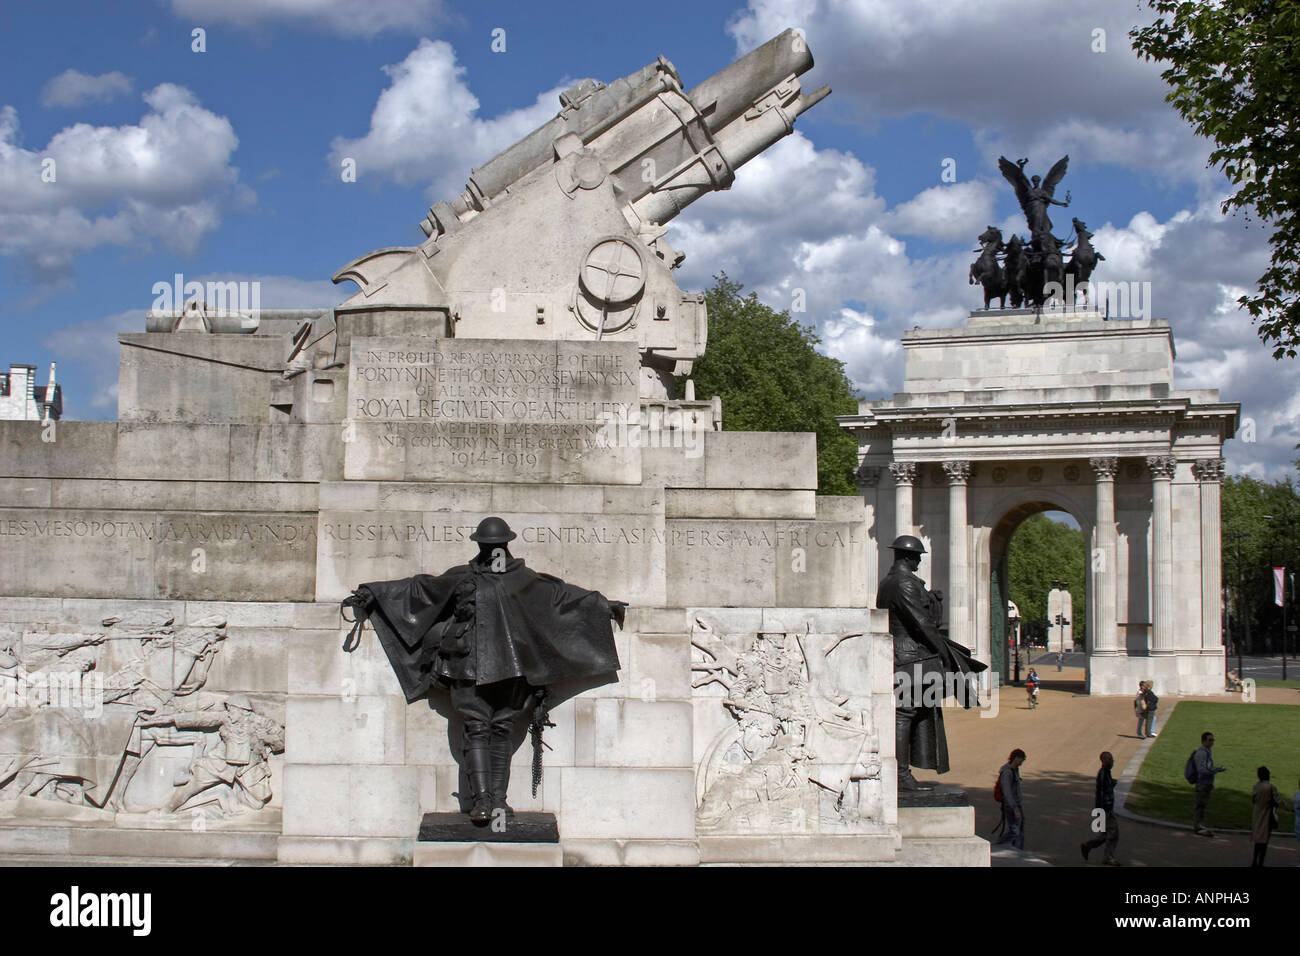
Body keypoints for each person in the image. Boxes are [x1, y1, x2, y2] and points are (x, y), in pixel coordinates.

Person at [341, 516, 626, 824]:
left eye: (494, 546)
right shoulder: (465, 577)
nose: (493, 551)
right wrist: (373, 593)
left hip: (511, 668)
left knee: (499, 728)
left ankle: (494, 801)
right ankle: (483, 803)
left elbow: (559, 597)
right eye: (490, 546)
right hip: (468, 664)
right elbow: (421, 589)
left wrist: (601, 606)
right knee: (479, 727)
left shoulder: (523, 579)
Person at [876, 535, 986, 791]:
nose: (919, 562)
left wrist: (935, 602)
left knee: (912, 711)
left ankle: (902, 773)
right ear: (907, 556)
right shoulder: (905, 583)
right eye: (916, 557)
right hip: (911, 657)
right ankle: (901, 775)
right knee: (905, 714)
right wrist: (943, 652)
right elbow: (922, 623)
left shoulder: (889, 582)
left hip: (904, 655)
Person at [1080, 751, 1120, 865]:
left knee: (1104, 835)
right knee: (1113, 833)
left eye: (1112, 760)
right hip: (1105, 809)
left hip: (1103, 808)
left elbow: (1105, 788)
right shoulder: (1103, 773)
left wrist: (1112, 783)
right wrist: (1103, 810)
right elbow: (1101, 792)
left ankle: (1087, 846)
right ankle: (1108, 857)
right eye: (1110, 760)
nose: (1112, 762)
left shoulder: (1106, 773)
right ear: (1103, 760)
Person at [1192, 731, 1227, 836]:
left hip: (1206, 783)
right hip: (1203, 783)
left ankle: (1200, 825)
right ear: (1204, 741)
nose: (1212, 742)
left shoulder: (1207, 751)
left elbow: (1207, 767)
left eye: (1213, 740)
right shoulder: (1202, 752)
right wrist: (1215, 770)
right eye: (1210, 740)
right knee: (1200, 806)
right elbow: (1202, 769)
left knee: (1203, 806)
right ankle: (1198, 826)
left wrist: (1216, 768)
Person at [995, 749, 1027, 849]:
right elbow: (1007, 792)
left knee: (1019, 830)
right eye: (1021, 760)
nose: (1022, 763)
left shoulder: (1015, 769)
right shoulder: (1007, 773)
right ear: (1016, 758)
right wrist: (1015, 809)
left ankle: (1017, 850)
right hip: (1010, 806)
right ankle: (999, 844)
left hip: (1016, 804)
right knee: (1015, 831)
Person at [1250, 766, 1281, 866]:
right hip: (1266, 816)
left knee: (1258, 841)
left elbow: (1253, 800)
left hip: (1257, 815)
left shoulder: (1256, 786)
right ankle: (1260, 863)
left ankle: (1254, 861)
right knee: (1264, 842)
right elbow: (1278, 801)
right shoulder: (1271, 787)